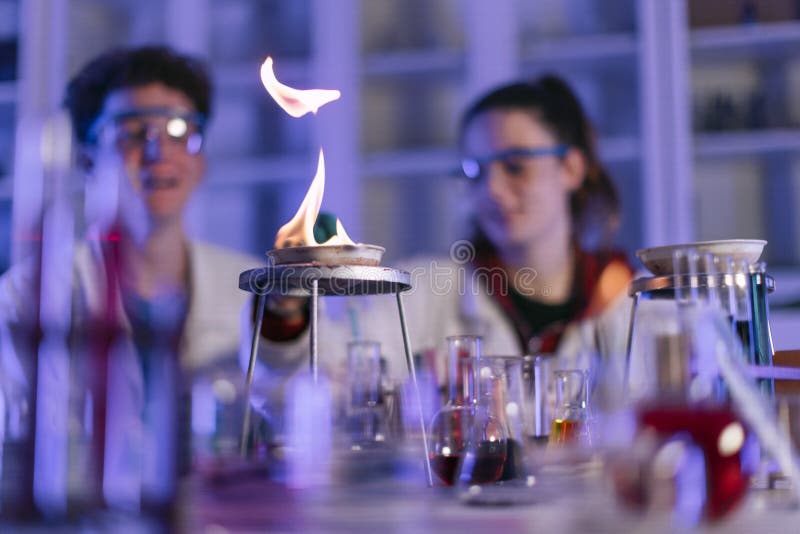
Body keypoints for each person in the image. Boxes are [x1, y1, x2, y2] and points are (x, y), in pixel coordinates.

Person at [245, 74, 634, 414]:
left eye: (515, 165)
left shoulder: (630, 306)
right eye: (474, 171)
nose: (492, 190)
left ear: (572, 168)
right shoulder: (428, 292)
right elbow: (303, 386)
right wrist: (286, 303)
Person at [0, 46, 260, 510]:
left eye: (181, 131)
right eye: (133, 132)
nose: (159, 152)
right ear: (87, 158)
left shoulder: (252, 291)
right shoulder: (26, 298)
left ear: (201, 160)